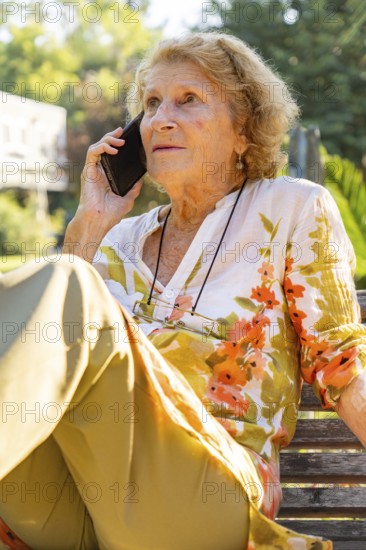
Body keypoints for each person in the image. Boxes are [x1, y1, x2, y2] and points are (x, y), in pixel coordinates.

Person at [0, 31, 365, 550]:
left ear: (244, 129)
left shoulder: (292, 209)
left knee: (67, 282)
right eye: (150, 104)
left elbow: (342, 365)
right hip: (84, 506)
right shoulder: (118, 237)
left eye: (187, 100)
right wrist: (88, 226)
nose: (159, 119)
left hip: (205, 500)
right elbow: (52, 350)